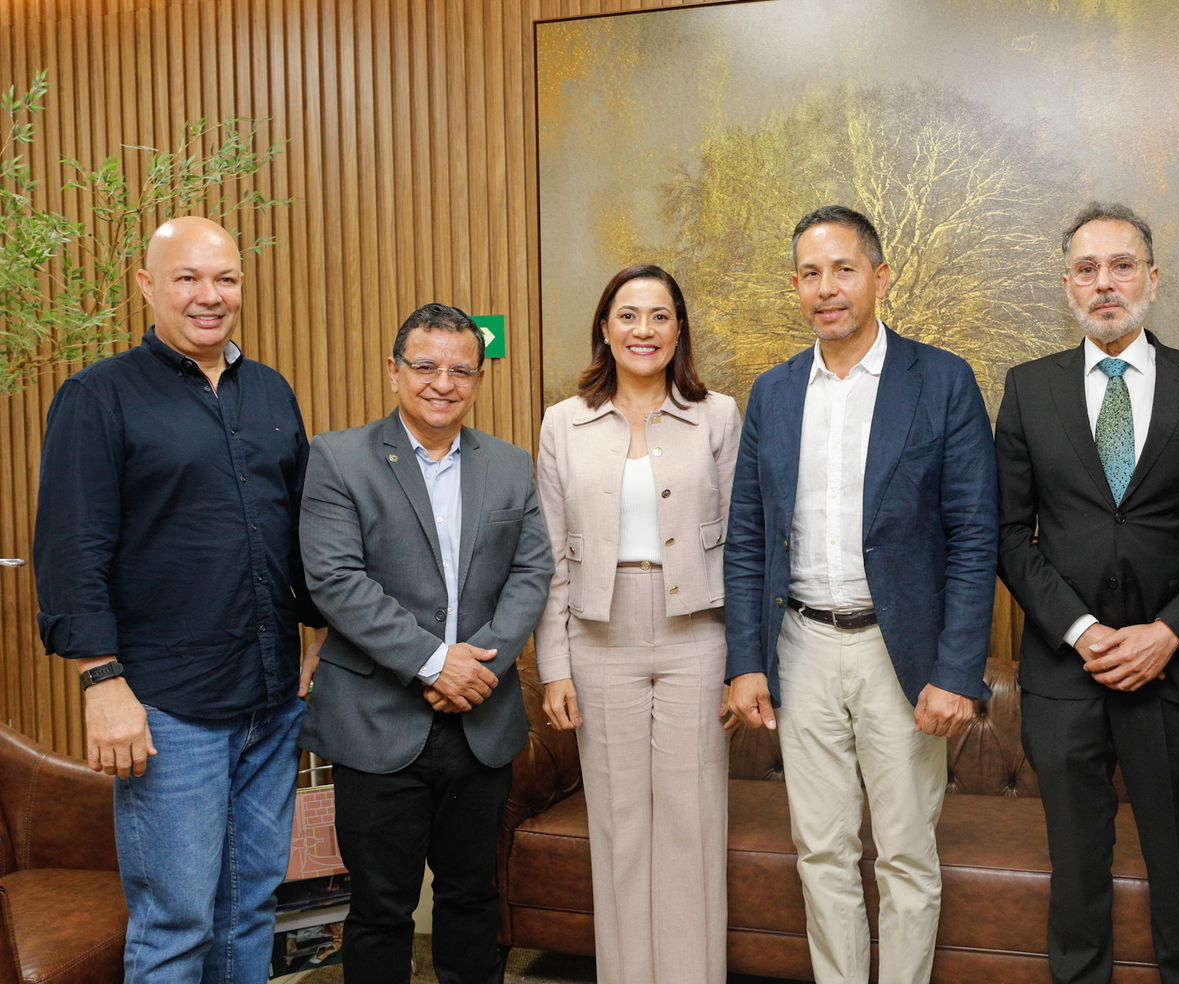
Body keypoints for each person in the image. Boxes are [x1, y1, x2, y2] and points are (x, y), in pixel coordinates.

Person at [32, 216, 326, 982]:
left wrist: (316, 629)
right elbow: (71, 549)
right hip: (168, 707)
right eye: (188, 278)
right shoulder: (97, 397)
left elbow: (294, 524)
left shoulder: (270, 390)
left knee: (252, 910)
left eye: (224, 278)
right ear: (147, 287)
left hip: (269, 696)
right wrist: (102, 682)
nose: (209, 295)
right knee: (177, 924)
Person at [724, 205, 999, 984]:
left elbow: (976, 536)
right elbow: (747, 538)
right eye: (810, 274)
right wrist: (747, 663)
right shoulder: (773, 394)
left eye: (843, 269)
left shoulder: (941, 381)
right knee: (822, 850)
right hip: (802, 648)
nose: (826, 289)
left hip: (900, 652)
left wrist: (956, 672)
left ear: (879, 277)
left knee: (907, 852)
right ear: (795, 287)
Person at [996, 202, 1179, 984]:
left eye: (1122, 265)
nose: (1105, 283)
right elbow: (1008, 534)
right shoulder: (1029, 389)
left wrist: (1169, 632)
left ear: (1152, 278)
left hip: (1177, 673)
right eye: (1087, 268)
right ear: (1067, 284)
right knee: (1075, 875)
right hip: (1065, 676)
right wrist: (1078, 629)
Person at [297, 302, 553, 984]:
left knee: (473, 899)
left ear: (477, 377)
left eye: (461, 369)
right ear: (394, 371)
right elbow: (334, 579)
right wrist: (436, 662)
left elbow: (533, 573)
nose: (443, 382)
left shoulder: (509, 465)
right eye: (426, 365)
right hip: (376, 721)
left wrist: (481, 670)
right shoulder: (338, 457)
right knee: (381, 909)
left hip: (481, 720)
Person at [534, 264, 740, 984]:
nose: (642, 330)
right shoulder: (563, 422)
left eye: (658, 316)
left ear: (679, 329)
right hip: (600, 638)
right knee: (618, 829)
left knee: (692, 825)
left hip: (696, 637)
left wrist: (744, 662)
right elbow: (552, 553)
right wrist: (554, 664)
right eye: (628, 315)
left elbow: (743, 544)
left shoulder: (718, 414)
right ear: (604, 327)